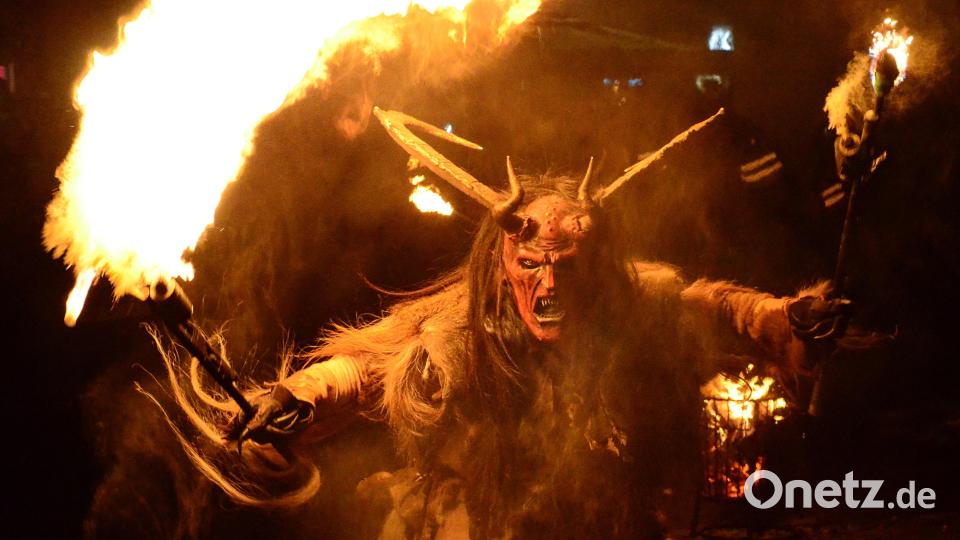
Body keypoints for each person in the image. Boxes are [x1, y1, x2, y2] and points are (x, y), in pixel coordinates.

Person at [211, 109, 844, 539]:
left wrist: (789, 317)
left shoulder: (635, 306)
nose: (550, 284)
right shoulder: (463, 329)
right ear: (505, 262)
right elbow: (368, 367)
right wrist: (299, 396)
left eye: (567, 265)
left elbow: (723, 310)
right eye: (532, 264)